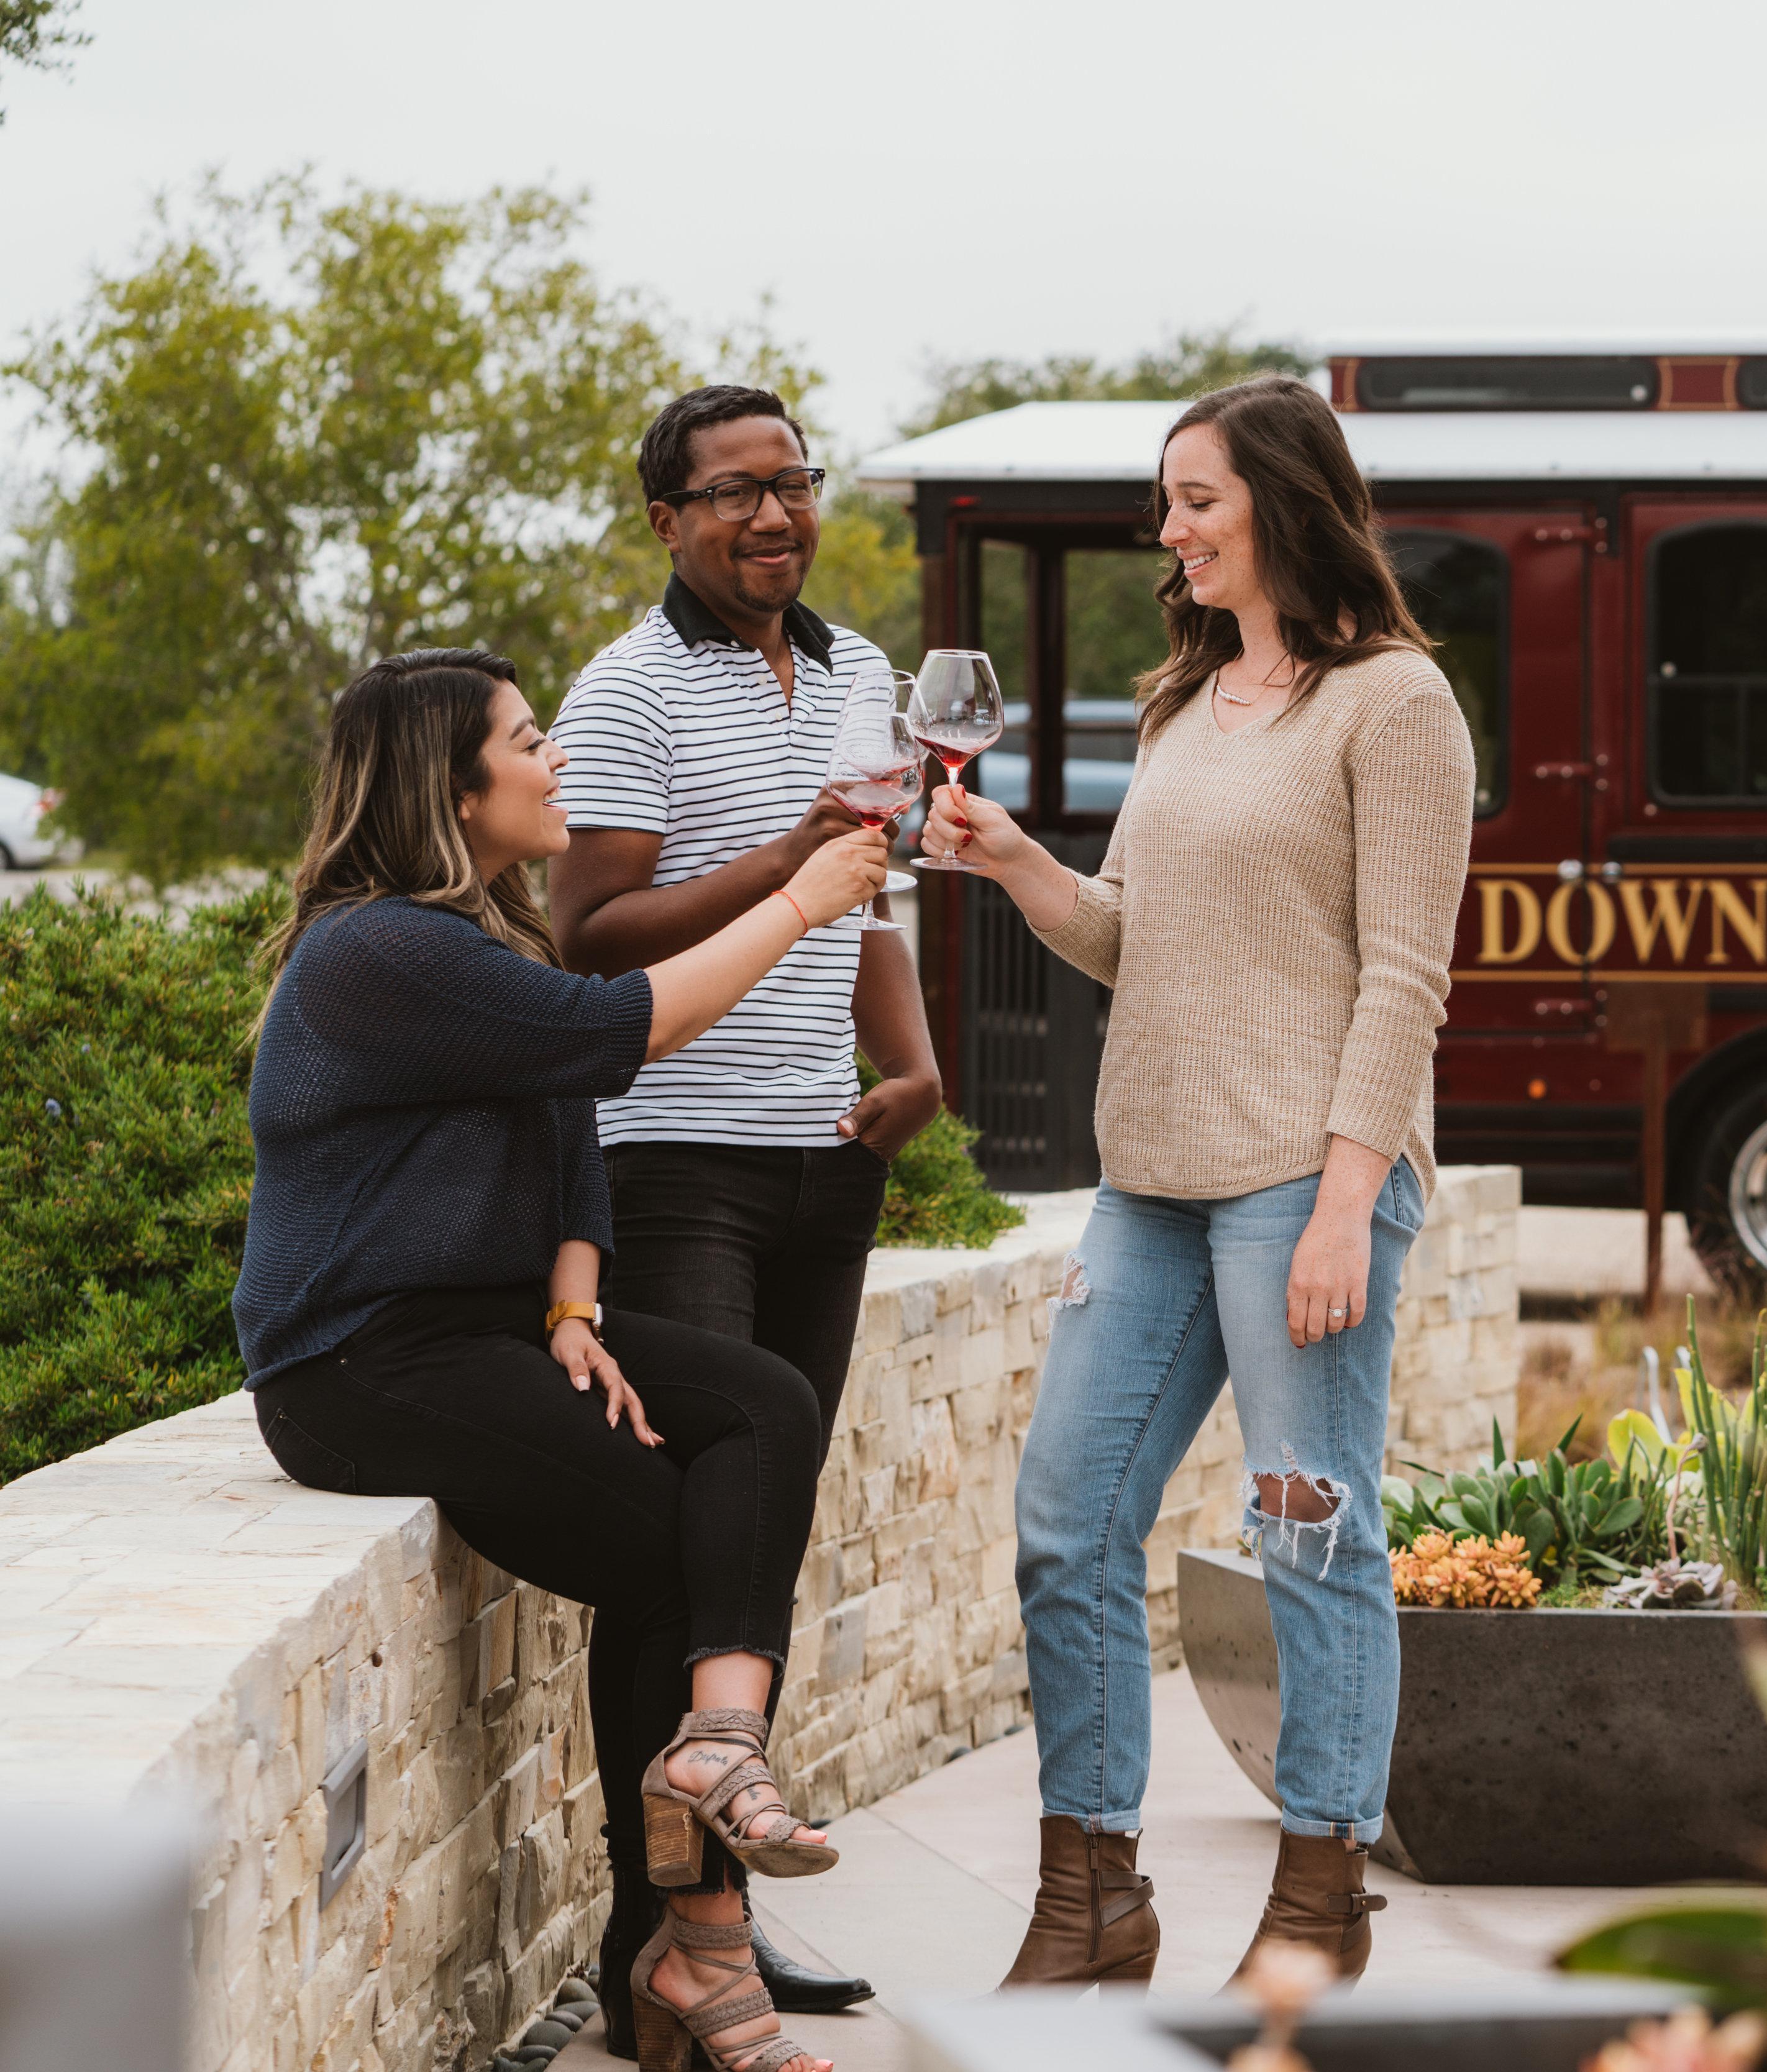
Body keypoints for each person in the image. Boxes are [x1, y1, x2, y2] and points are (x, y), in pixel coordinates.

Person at [236, 649, 894, 2072]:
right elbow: (621, 1032)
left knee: (759, 1407)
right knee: (677, 1539)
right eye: (529, 743)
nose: (558, 762)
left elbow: (570, 1151)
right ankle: (686, 1942)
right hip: (354, 1366)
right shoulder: (378, 951)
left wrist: (577, 1314)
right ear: (451, 789)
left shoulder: (478, 947)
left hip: (477, 1332)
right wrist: (803, 895)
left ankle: (714, 1764)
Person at [922, 375, 1474, 1988]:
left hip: (1305, 1180)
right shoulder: (1180, 708)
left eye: (1199, 500)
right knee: (1063, 1525)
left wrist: (1343, 1196)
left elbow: (1403, 974)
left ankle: (1323, 1901)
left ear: (1287, 504)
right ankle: (1093, 1895)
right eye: (1167, 503)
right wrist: (1017, 861)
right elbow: (1126, 937)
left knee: (1310, 1530)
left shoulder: (1396, 709)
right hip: (1148, 1184)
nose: (1170, 533)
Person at [549, 384, 941, 2025]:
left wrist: (911, 1069)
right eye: (736, 493)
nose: (775, 516)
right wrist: (793, 852)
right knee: (674, 1539)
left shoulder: (863, 677)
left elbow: (880, 895)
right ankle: (663, 1924)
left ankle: (710, 1921)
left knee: (756, 1537)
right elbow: (591, 931)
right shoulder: (628, 689)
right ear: (666, 521)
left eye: (795, 484)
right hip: (674, 1160)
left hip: (821, 1163)